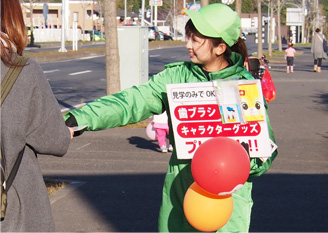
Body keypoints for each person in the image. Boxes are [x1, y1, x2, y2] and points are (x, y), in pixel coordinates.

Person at [64, 4, 277, 232]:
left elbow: (266, 152)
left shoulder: (244, 87)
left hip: (227, 208)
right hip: (180, 197)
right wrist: (77, 118)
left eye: (196, 40)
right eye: (188, 38)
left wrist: (243, 159)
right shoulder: (177, 76)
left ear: (220, 47)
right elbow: (132, 101)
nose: (188, 45)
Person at [0, 0, 72, 231]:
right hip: (14, 207)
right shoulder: (21, 71)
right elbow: (54, 141)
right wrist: (67, 132)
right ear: (11, 18)